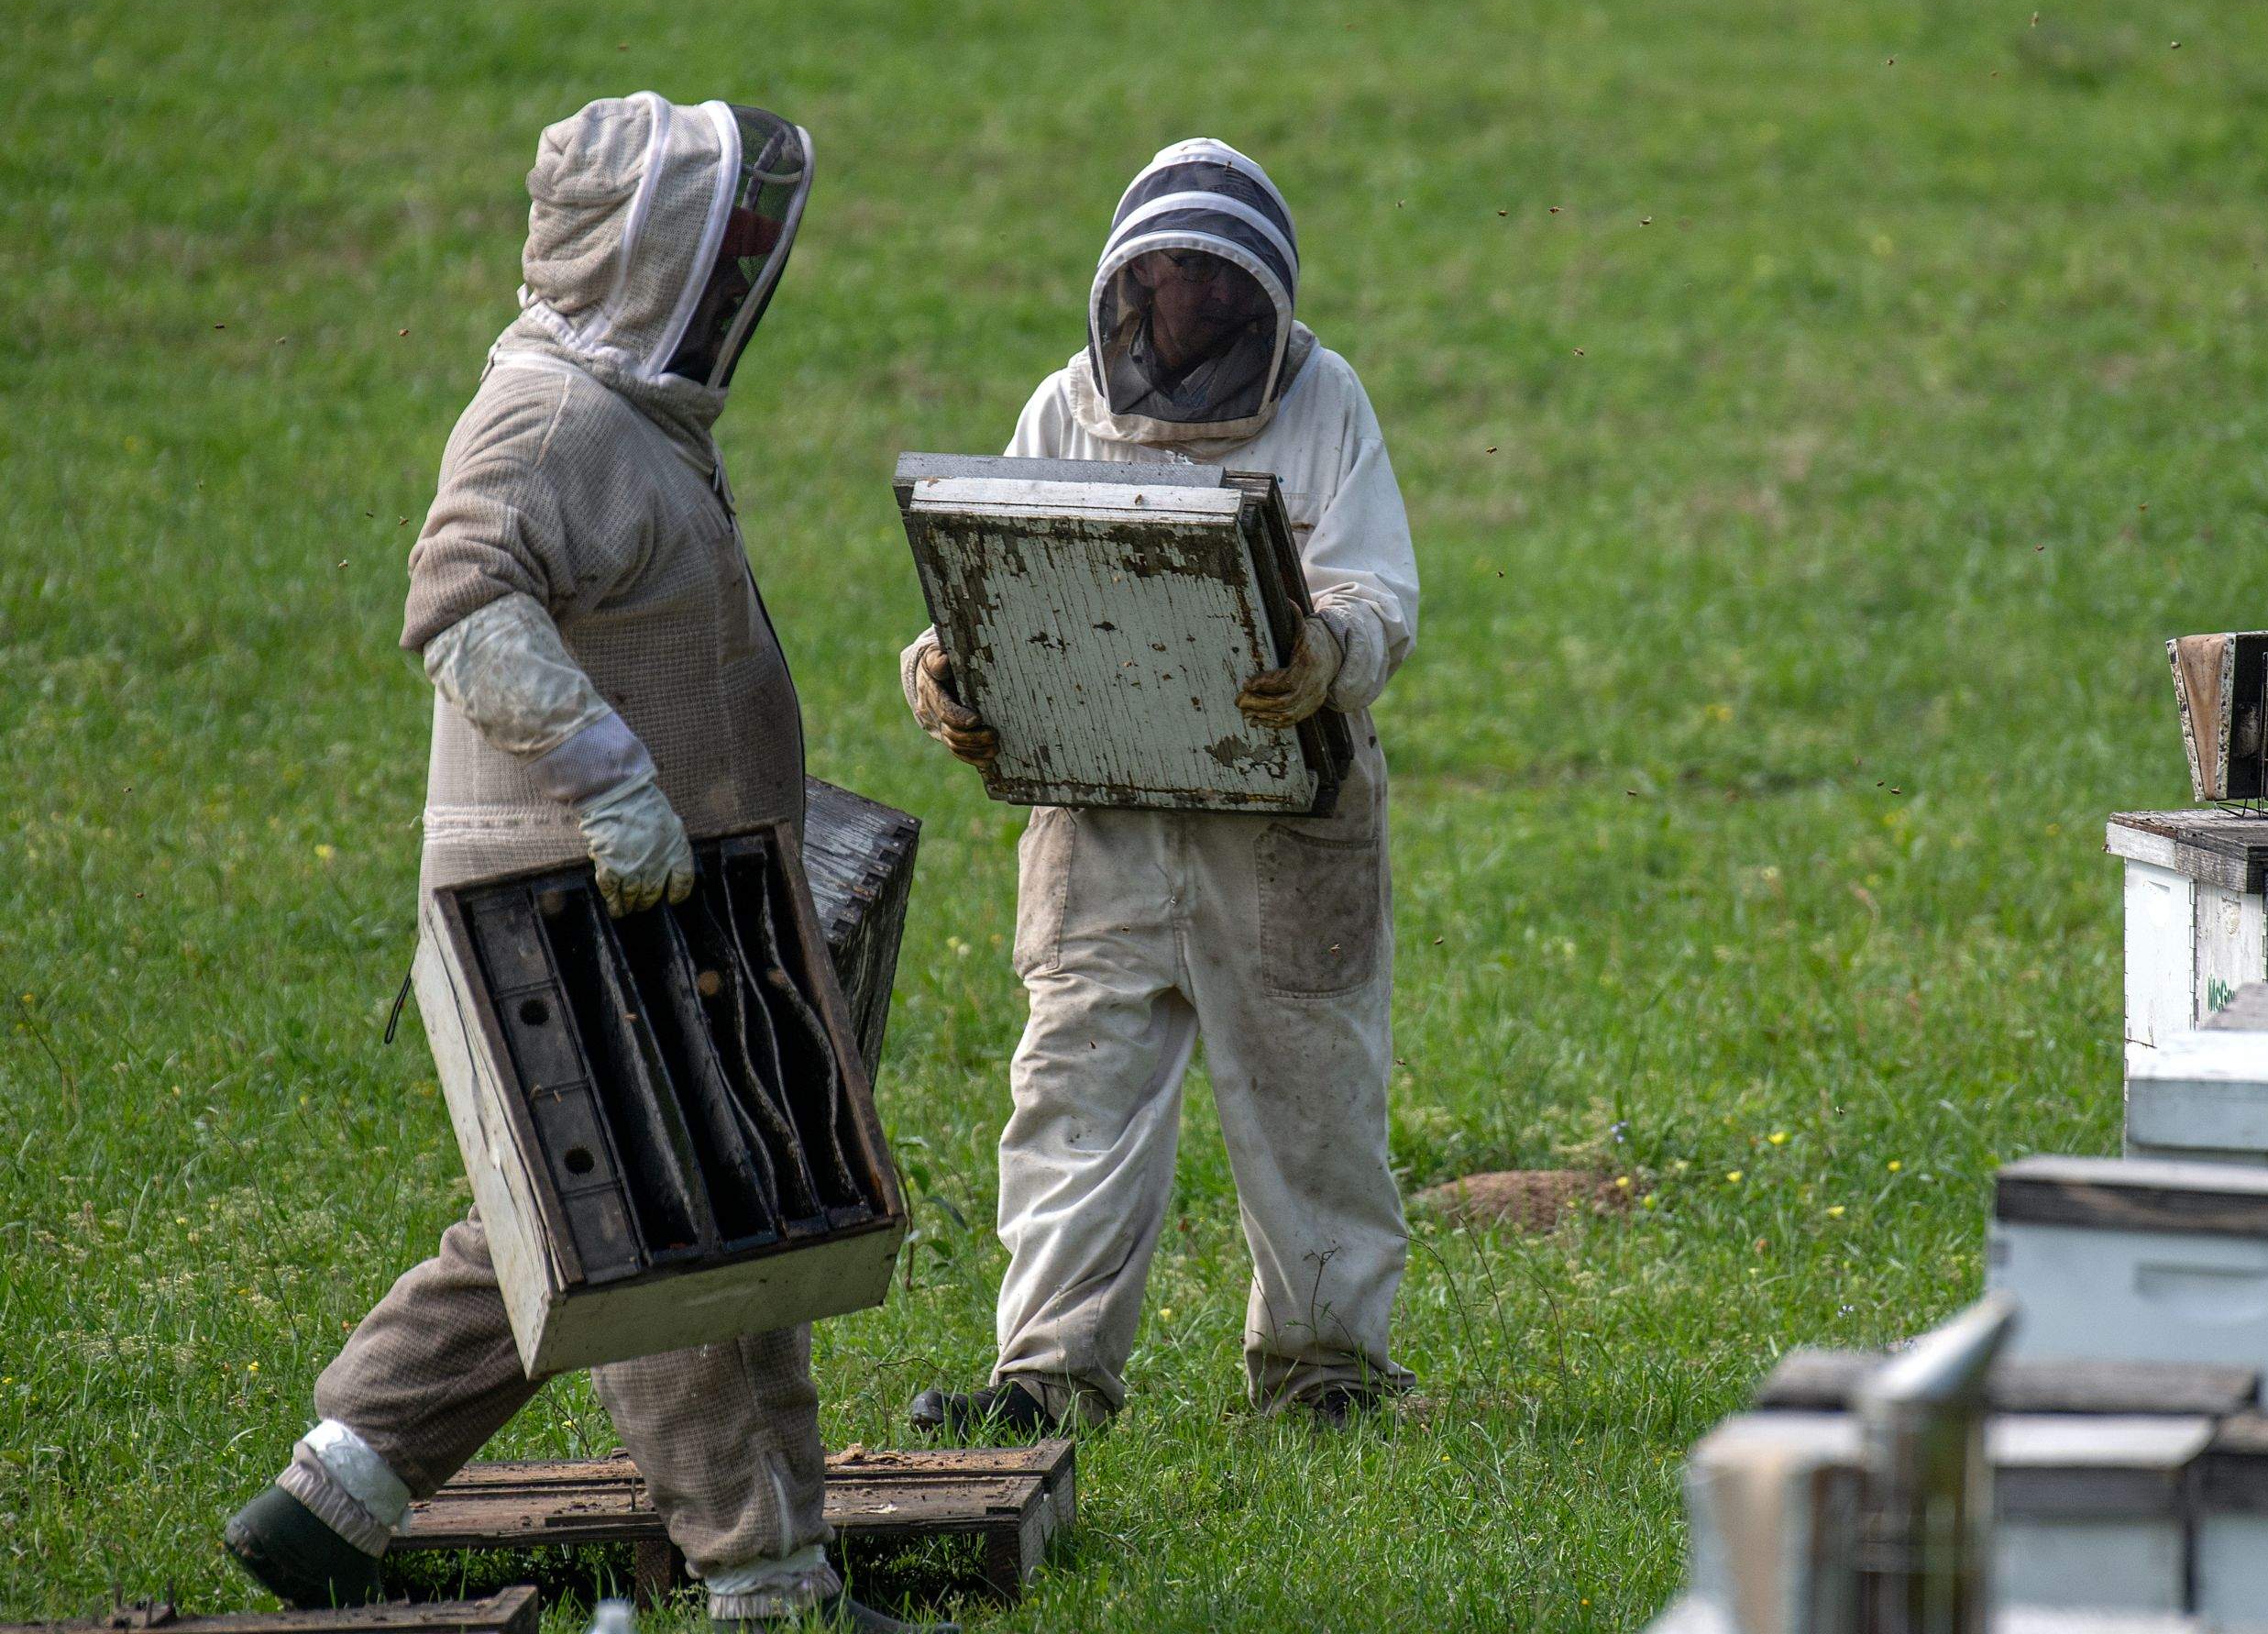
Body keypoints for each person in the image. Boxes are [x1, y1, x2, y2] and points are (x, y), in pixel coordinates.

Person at [222, 92, 944, 1634]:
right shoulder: (546, 416)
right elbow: (460, 601)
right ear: (650, 253)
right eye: (726, 245)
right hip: (576, 901)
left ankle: (334, 1490)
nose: (746, 276)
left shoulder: (625, 417)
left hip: (652, 899)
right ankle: (764, 1583)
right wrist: (612, 784)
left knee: (571, 1214)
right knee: (673, 1241)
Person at [900, 138, 1420, 1432]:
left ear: (1263, 296)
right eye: (1169, 270)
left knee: (1313, 1106)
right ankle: (1048, 1378)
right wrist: (946, 676)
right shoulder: (1062, 407)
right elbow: (989, 560)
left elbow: (1379, 589)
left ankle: (1326, 1375)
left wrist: (1324, 650)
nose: (1189, 297)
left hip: (1282, 836)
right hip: (1106, 827)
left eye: (1214, 276)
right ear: (1129, 282)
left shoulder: (1327, 399)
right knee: (1075, 1097)